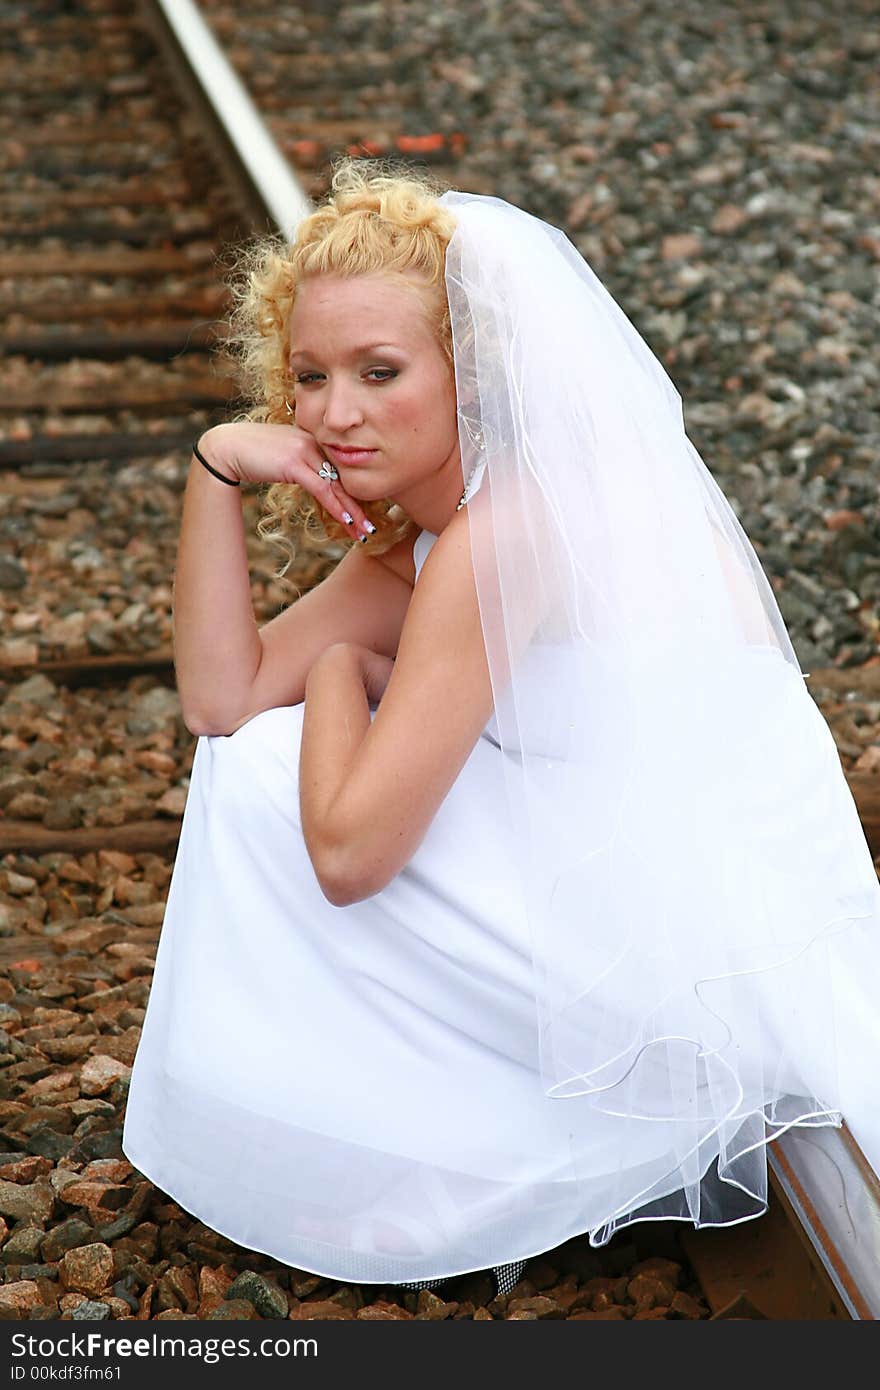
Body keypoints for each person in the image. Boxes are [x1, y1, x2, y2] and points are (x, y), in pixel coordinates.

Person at [123, 157, 880, 1298]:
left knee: (277, 772)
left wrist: (337, 676)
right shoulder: (435, 533)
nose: (334, 413)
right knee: (254, 746)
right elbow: (219, 697)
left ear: (469, 371)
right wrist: (213, 471)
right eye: (310, 376)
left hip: (688, 957)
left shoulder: (502, 535)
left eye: (381, 371)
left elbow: (346, 855)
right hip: (651, 896)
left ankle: (417, 1168)